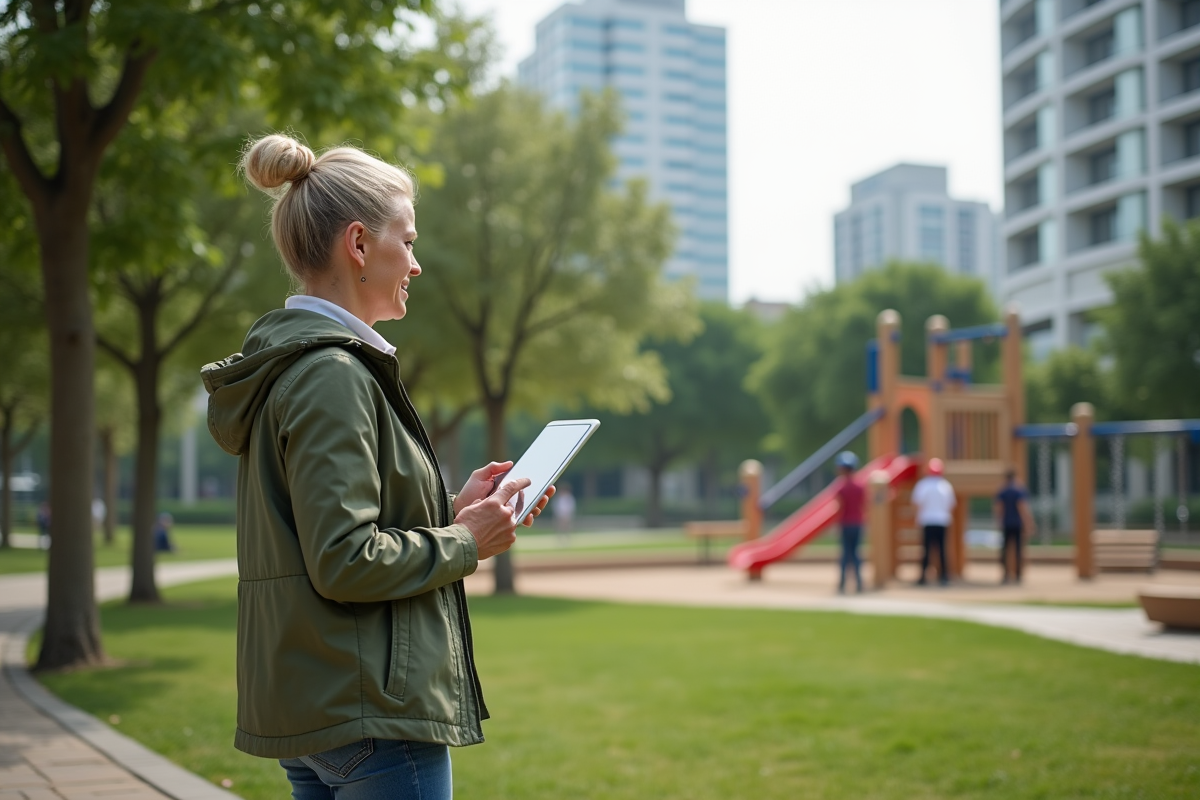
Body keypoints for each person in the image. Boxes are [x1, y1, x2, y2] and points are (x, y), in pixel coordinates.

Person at [201, 134, 553, 799]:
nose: (416, 264)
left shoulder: (295, 369)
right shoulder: (332, 375)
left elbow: (329, 529)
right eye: (409, 241)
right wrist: (466, 541)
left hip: (321, 706)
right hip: (370, 716)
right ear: (359, 245)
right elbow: (345, 558)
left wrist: (451, 510)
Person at [911, 457, 955, 586]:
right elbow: (951, 504)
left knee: (926, 549)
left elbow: (917, 503)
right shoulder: (945, 485)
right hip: (942, 520)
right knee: (942, 549)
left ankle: (923, 577)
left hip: (927, 520)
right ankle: (944, 576)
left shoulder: (923, 485)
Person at [832, 451, 865, 594]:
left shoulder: (841, 487)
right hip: (857, 523)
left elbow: (839, 506)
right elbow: (864, 504)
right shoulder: (860, 486)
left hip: (846, 523)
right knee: (856, 553)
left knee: (846, 554)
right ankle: (858, 582)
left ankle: (842, 583)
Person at [995, 469, 1035, 584]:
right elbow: (1022, 508)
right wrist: (1029, 523)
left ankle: (1006, 574)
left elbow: (999, 508)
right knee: (1018, 550)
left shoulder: (1002, 491)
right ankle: (1018, 574)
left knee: (1005, 550)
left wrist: (999, 521)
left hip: (1006, 523)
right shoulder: (1019, 490)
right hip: (1017, 523)